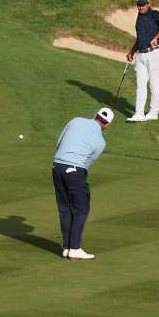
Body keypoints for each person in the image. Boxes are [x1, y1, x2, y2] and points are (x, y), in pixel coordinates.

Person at [51, 106, 113, 259]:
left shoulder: (76, 120)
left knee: (65, 208)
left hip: (56, 166)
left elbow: (59, 142)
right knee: (82, 209)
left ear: (95, 115)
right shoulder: (101, 142)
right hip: (74, 170)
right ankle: (75, 248)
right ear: (107, 125)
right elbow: (87, 162)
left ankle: (66, 247)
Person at [124, 0, 159, 122]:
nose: (140, 7)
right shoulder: (139, 17)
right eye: (138, 5)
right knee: (140, 85)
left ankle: (153, 112)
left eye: (142, 4)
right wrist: (132, 52)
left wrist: (156, 37)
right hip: (141, 55)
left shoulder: (154, 14)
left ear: (148, 3)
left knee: (154, 84)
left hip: (154, 53)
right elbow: (140, 38)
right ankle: (138, 113)